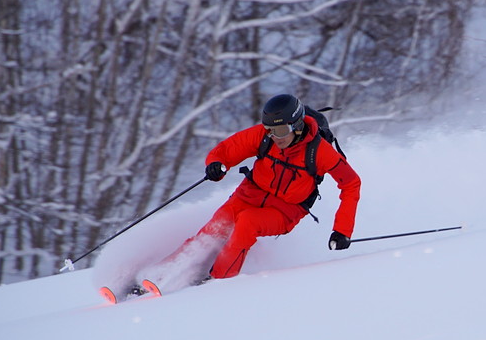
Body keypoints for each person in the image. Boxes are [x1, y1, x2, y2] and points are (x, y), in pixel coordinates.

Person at [148, 94, 361, 287]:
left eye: (280, 131)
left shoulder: (320, 152)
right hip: (249, 194)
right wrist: (216, 164)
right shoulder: (264, 137)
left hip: (285, 211)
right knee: (215, 227)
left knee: (247, 222)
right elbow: (227, 149)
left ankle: (218, 283)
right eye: (269, 129)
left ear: (296, 126)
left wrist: (342, 230)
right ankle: (159, 276)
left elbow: (351, 184)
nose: (275, 137)